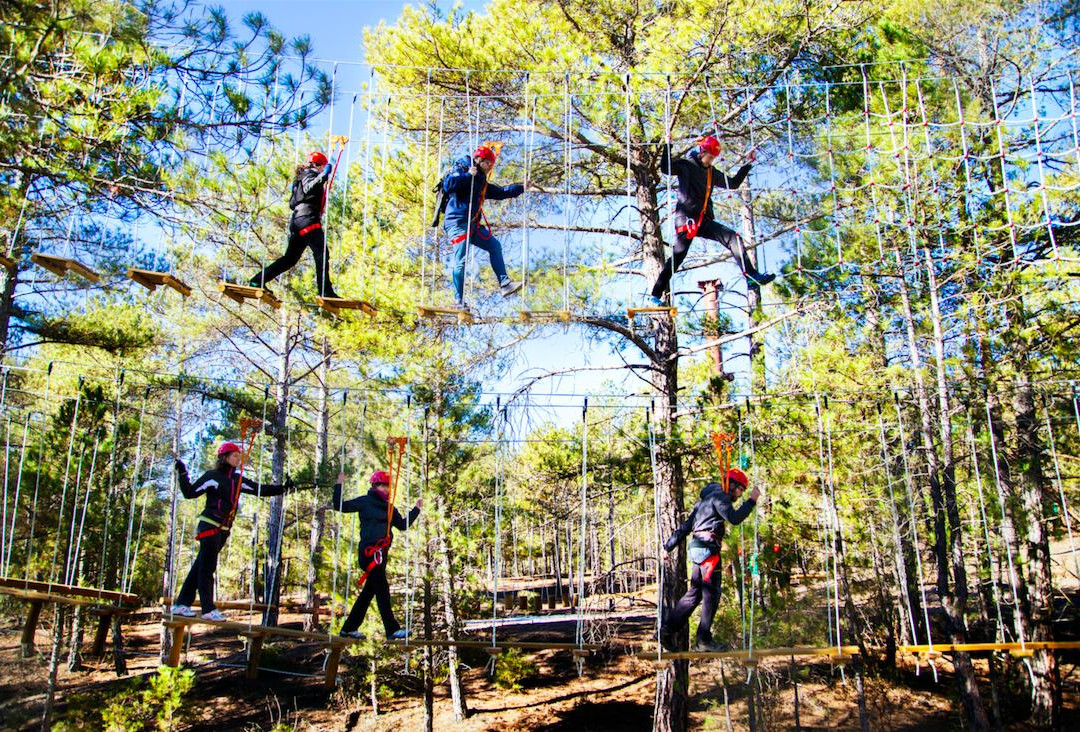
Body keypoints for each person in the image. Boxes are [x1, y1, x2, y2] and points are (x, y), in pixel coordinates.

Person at [171, 442, 304, 621]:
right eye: (234, 455)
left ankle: (181, 604)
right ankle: (208, 609)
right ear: (224, 458)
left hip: (223, 529)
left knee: (199, 567)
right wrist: (183, 473)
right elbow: (189, 492)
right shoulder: (213, 476)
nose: (237, 458)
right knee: (206, 568)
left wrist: (283, 488)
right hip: (210, 525)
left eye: (238, 456)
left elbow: (259, 489)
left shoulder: (237, 479)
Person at [649, 135, 774, 305]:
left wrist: (747, 164)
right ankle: (655, 294)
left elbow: (733, 183)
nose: (711, 161)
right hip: (686, 219)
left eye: (713, 158)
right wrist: (667, 145)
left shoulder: (711, 172)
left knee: (733, 237)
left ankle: (751, 277)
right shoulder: (686, 165)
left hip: (703, 220)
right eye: (710, 157)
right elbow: (665, 168)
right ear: (702, 152)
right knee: (678, 256)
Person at [660, 468, 761, 652]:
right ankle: (703, 639)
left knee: (694, 594)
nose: (740, 494)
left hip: (698, 550)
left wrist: (668, 546)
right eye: (740, 490)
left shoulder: (703, 502)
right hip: (708, 552)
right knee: (712, 594)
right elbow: (734, 518)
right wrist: (751, 501)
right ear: (731, 485)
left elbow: (686, 527)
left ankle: (667, 629)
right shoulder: (721, 496)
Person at [333, 469, 421, 640]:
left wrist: (415, 510)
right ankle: (391, 629)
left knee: (368, 593)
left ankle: (349, 628)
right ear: (375, 486)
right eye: (384, 486)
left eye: (388, 486)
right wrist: (339, 484)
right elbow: (339, 506)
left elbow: (402, 525)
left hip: (381, 555)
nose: (387, 489)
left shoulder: (389, 508)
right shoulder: (364, 502)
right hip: (368, 553)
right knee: (382, 589)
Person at [439, 144, 525, 310]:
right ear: (479, 160)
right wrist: (467, 176)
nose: (490, 167)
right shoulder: (463, 168)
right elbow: (448, 185)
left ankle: (505, 283)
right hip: (457, 222)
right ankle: (458, 301)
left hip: (472, 225)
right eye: (488, 164)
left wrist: (522, 187)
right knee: (460, 260)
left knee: (494, 246)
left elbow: (502, 192)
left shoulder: (480, 183)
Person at [249, 151, 340, 298]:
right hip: (308, 220)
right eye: (322, 167)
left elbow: (293, 203)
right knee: (322, 253)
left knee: (289, 259)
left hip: (297, 221)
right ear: (319, 165)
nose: (323, 170)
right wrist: (324, 176)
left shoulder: (299, 177)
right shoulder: (310, 173)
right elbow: (309, 187)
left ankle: (257, 280)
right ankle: (325, 291)